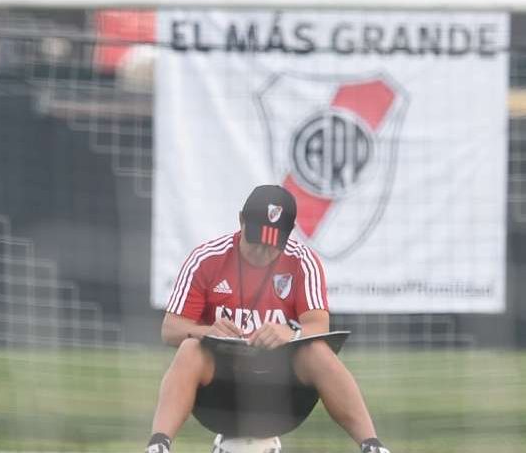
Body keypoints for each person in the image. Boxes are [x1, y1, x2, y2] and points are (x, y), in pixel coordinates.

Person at [145, 185, 391, 453]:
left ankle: (372, 446)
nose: (263, 251)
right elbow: (170, 330)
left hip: (281, 395)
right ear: (241, 220)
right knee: (190, 347)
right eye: (256, 241)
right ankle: (158, 445)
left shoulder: (302, 261)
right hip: (218, 390)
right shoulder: (206, 258)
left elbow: (319, 326)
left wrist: (291, 333)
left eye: (272, 245)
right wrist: (207, 331)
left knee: (317, 351)